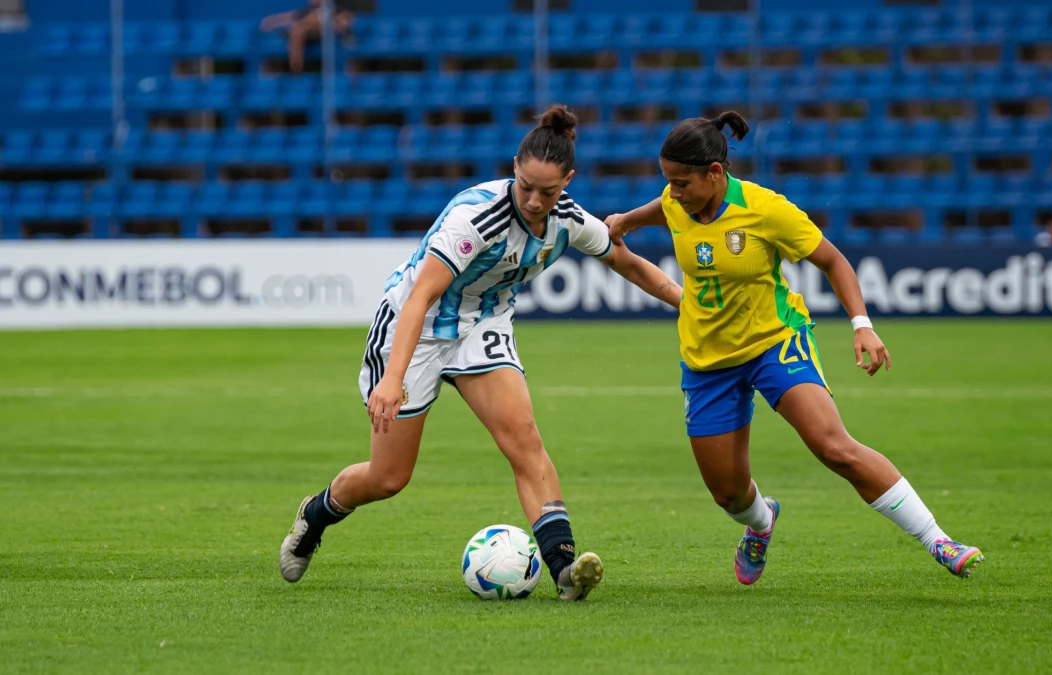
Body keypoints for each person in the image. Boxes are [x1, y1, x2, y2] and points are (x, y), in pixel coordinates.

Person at [278, 105, 683, 601]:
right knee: (388, 478)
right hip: (416, 327)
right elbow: (421, 296)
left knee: (523, 438)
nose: (535, 201)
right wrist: (393, 378)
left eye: (549, 191)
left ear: (568, 181)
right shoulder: (477, 219)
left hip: (483, 324)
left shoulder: (569, 220)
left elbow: (628, 262)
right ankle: (314, 516)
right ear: (515, 166)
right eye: (526, 186)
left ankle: (562, 567)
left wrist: (685, 303)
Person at [605, 112, 983, 585]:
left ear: (715, 174)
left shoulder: (767, 210)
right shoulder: (676, 199)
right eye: (668, 182)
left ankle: (939, 540)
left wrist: (862, 325)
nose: (673, 192)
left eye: (681, 182)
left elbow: (833, 260)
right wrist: (625, 222)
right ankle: (762, 523)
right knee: (728, 494)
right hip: (707, 361)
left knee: (833, 447)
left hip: (774, 342)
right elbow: (662, 208)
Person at [260, 0, 357, 74]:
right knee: (297, 31)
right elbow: (292, 16)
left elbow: (345, 21)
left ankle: (296, 69)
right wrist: (273, 21)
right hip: (307, 36)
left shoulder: (336, 9)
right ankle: (295, 68)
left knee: (299, 29)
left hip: (329, 37)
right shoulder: (308, 10)